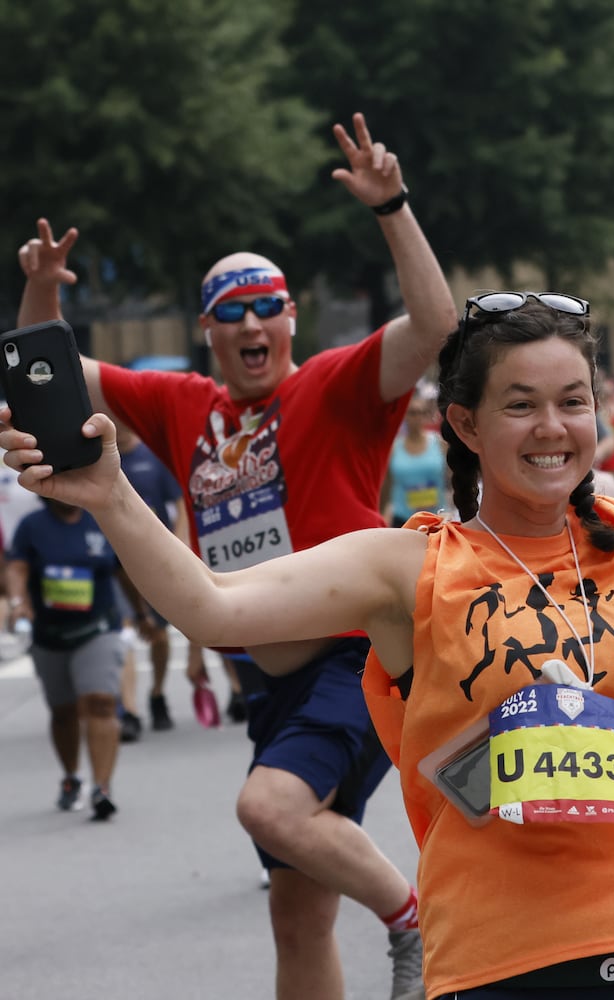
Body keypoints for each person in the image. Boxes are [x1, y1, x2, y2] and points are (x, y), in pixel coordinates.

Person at [1, 289, 614, 998]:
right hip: (503, 957)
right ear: (463, 425)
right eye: (521, 405)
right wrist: (114, 498)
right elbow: (214, 607)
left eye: (573, 401)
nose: (553, 428)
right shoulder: (408, 567)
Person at [15, 112, 454, 1000]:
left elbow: (437, 324)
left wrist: (392, 206)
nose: (254, 324)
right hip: (270, 686)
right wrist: (44, 295)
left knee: (269, 808)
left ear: (290, 320)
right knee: (296, 923)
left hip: (355, 661)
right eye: (232, 313)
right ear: (209, 330)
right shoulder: (183, 404)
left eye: (268, 308)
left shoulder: (332, 385)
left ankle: (418, 922)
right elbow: (46, 375)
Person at [5, 497, 130, 820]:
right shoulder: (32, 526)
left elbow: (124, 569)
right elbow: (17, 567)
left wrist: (143, 614)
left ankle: (101, 788)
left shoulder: (100, 519)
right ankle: (71, 777)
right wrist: (19, 602)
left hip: (98, 628)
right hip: (50, 635)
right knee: (63, 712)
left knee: (101, 702)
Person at [113, 423, 184, 739]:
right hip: (111, 563)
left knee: (159, 635)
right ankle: (129, 710)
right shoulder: (99, 456)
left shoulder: (153, 457)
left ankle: (156, 694)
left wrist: (181, 552)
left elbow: (180, 506)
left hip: (153, 560)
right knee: (124, 634)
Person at [381, 379, 448, 526]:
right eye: (412, 413)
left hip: (436, 518)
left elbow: (452, 482)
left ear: (425, 415)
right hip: (402, 519)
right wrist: (381, 516)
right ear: (405, 416)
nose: (416, 418)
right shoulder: (394, 448)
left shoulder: (440, 444)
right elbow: (386, 487)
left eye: (420, 413)